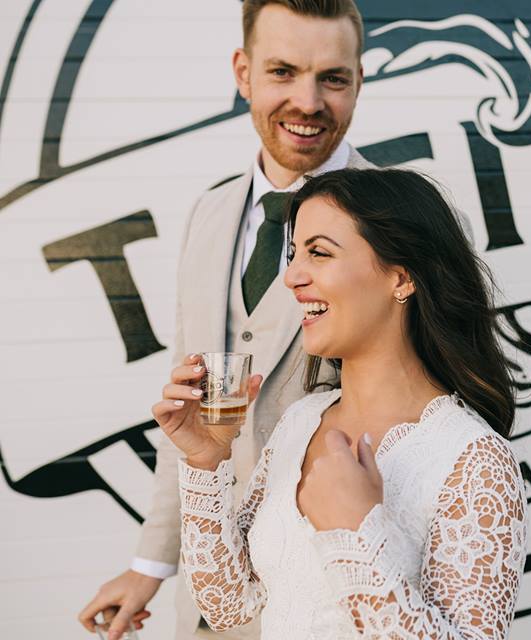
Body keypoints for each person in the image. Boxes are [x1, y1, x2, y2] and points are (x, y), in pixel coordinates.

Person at [79, 1, 379, 638]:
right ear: (243, 72)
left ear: (359, 79)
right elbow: (190, 404)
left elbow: (445, 414)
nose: (308, 101)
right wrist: (149, 564)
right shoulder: (209, 215)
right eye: (282, 72)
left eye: (333, 77)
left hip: (335, 600)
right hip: (212, 606)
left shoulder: (411, 223)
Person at [152, 167, 528, 639]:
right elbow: (230, 604)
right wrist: (206, 460)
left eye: (319, 253)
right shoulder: (301, 422)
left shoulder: (472, 459)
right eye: (293, 254)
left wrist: (355, 533)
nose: (291, 276)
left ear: (402, 277)